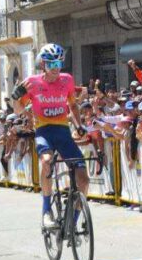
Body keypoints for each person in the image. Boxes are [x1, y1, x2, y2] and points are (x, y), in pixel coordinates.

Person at [9, 43, 89, 229]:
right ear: (43, 64)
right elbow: (18, 109)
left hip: (63, 133)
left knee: (84, 180)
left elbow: (73, 105)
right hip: (44, 132)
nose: (56, 68)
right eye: (52, 64)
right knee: (46, 161)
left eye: (59, 64)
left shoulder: (67, 80)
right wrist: (15, 98)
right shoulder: (32, 82)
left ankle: (73, 222)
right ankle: (46, 210)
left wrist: (79, 125)